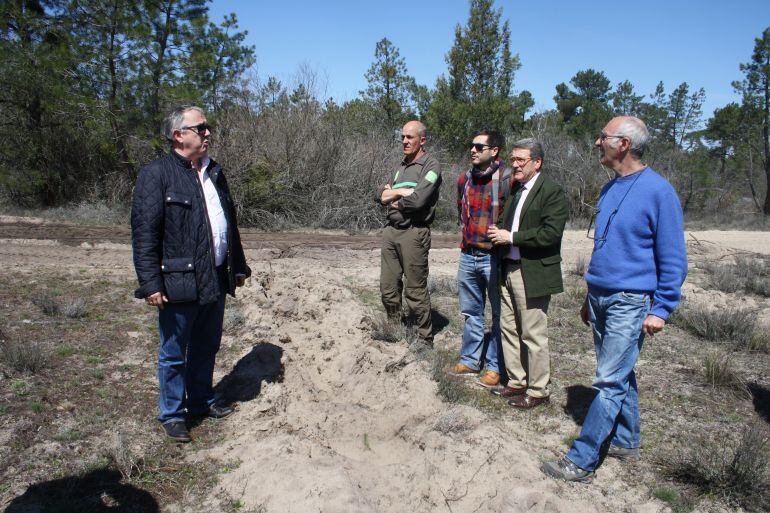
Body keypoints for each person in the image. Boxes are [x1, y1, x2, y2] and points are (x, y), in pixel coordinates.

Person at [542, 116, 687, 482]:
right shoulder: (609, 189)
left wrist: (662, 308)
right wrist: (590, 295)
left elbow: (673, 257)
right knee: (620, 373)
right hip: (601, 297)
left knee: (608, 381)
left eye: (602, 137)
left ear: (623, 144)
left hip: (631, 301)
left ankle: (582, 460)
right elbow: (604, 248)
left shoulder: (659, 192)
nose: (596, 143)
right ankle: (626, 439)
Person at [131, 106, 251, 442]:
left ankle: (199, 400)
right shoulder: (157, 175)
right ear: (178, 135)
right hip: (178, 279)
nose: (208, 132)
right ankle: (172, 414)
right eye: (201, 127)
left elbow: (228, 224)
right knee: (174, 352)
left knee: (207, 345)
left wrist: (236, 265)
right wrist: (150, 283)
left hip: (213, 274)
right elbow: (144, 233)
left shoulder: (215, 172)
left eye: (207, 127)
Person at [488, 139, 568, 408]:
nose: (515, 165)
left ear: (537, 162)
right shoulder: (516, 190)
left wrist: (509, 237)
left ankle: (538, 390)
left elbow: (550, 234)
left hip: (532, 272)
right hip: (507, 269)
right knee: (508, 329)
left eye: (521, 160)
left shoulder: (552, 191)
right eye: (513, 159)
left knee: (533, 334)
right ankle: (516, 382)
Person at [450, 129, 513, 388]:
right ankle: (470, 360)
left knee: (499, 314)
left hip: (493, 257)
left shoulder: (508, 179)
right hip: (468, 253)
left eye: (479, 146)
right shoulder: (465, 179)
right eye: (471, 146)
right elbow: (461, 212)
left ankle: (494, 367)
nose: (472, 150)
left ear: (494, 151)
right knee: (471, 311)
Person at [378, 120, 442, 345]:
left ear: (422, 140)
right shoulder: (400, 166)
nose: (404, 141)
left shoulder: (431, 166)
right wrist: (402, 191)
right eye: (402, 137)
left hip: (414, 233)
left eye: (409, 137)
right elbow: (380, 196)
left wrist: (395, 196)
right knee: (388, 287)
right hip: (390, 232)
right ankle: (394, 328)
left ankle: (424, 339)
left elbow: (418, 200)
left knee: (415, 291)